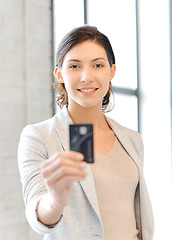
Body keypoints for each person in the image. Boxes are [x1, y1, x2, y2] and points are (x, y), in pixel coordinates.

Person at [18, 25, 154, 240]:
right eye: (74, 66)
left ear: (111, 71)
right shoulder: (39, 136)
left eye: (97, 65)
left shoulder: (132, 139)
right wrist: (55, 200)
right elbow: (37, 214)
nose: (86, 76)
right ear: (59, 74)